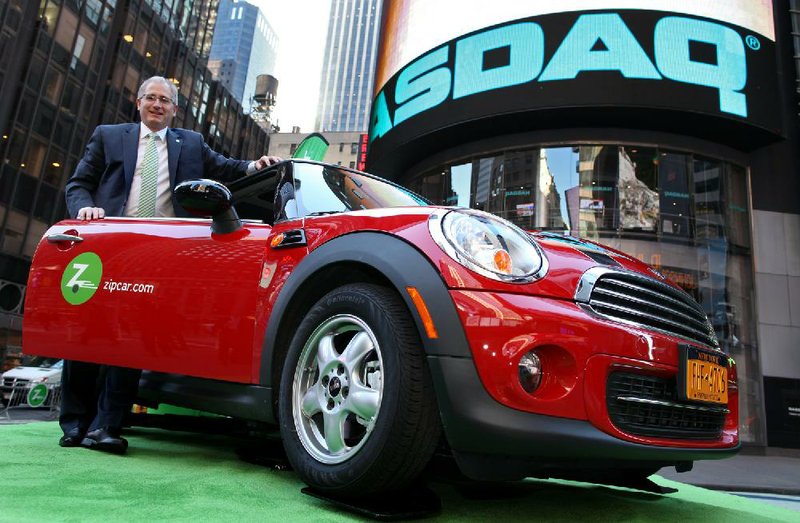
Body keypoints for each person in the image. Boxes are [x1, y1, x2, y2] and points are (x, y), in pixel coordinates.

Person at [58, 76, 281, 454]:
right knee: (87, 335)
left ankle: (106, 426)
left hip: (155, 255)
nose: (157, 105)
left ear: (175, 109)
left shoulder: (190, 143)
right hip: (107, 245)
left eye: (165, 100)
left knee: (129, 339)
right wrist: (84, 210)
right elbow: (79, 183)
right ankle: (74, 423)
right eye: (151, 98)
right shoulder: (109, 136)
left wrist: (254, 165)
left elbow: (226, 166)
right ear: (138, 102)